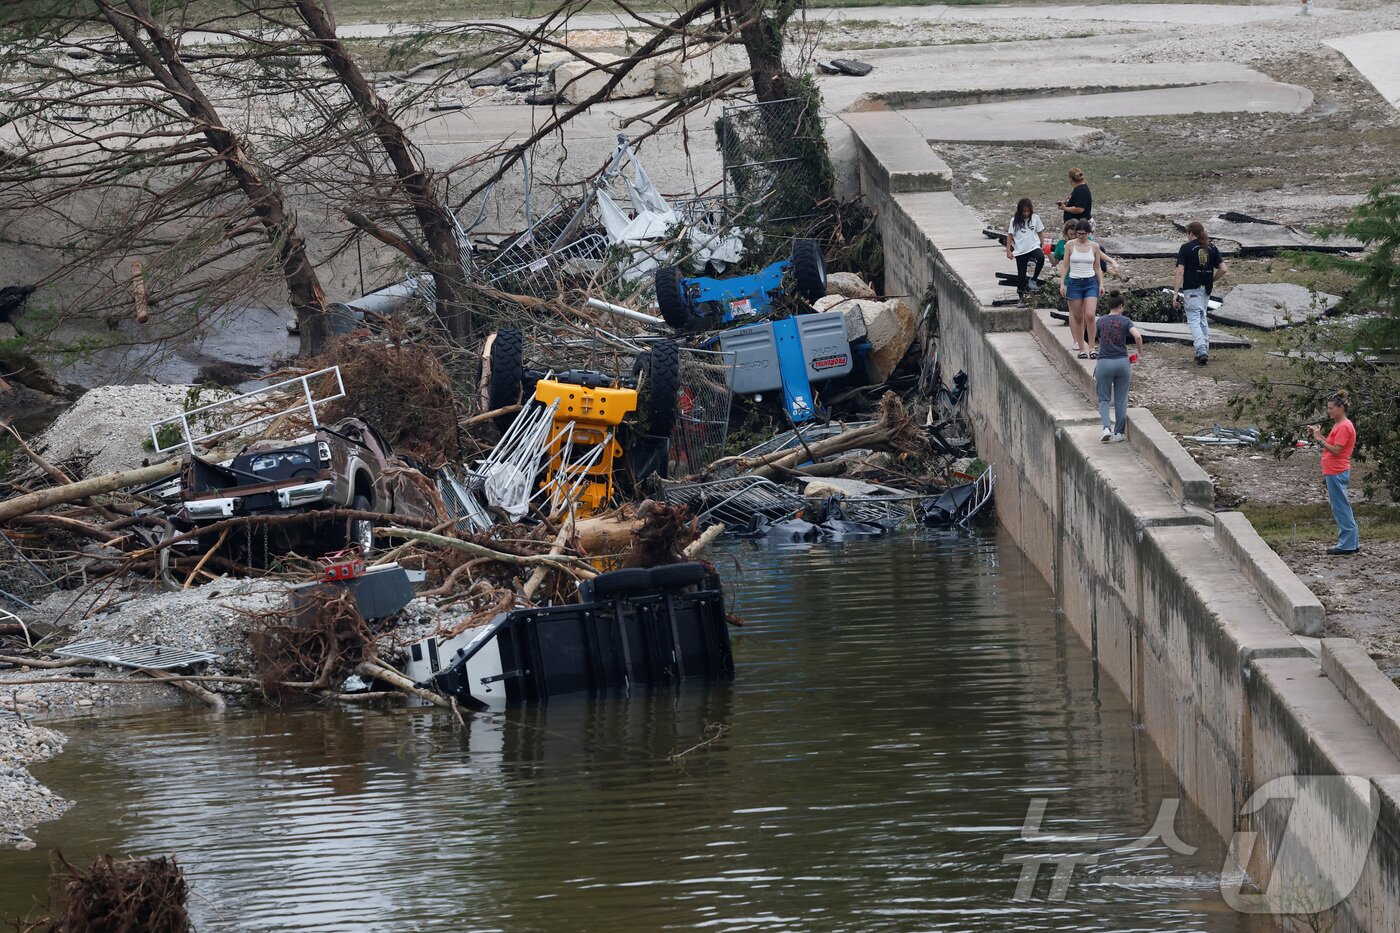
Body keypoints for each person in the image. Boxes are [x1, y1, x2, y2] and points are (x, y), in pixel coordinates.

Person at [1308, 391, 1359, 555]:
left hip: (1337, 471)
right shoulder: (1340, 424)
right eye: (1328, 408)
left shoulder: (1344, 426)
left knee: (1340, 507)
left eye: (1331, 408)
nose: (1328, 411)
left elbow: (1337, 450)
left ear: (1341, 408)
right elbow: (1332, 444)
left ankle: (1347, 545)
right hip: (1334, 470)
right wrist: (1318, 434)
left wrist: (1319, 438)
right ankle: (1351, 542)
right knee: (1341, 506)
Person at [1173, 220, 1228, 365]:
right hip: (1206, 290)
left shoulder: (1185, 248)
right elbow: (1223, 269)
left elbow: (1180, 271)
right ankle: (1203, 351)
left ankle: (1201, 348)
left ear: (1190, 233)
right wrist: (1212, 280)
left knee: (1193, 320)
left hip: (1192, 289)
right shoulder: (1212, 248)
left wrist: (1175, 293)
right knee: (1203, 318)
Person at [1093, 291, 1143, 442]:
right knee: (1121, 399)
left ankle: (1106, 428)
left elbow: (1097, 339)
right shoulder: (1126, 321)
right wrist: (1139, 353)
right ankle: (1119, 433)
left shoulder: (1100, 321)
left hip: (1104, 363)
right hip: (1122, 362)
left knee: (1104, 399)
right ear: (1121, 306)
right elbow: (1138, 336)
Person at [1060, 220, 1110, 359]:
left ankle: (1092, 347)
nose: (1081, 236)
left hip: (1090, 282)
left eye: (1084, 234)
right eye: (1079, 234)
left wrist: (1101, 284)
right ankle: (1082, 348)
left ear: (1089, 233)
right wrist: (1062, 283)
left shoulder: (1094, 246)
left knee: (1090, 314)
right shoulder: (1070, 245)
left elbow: (1097, 267)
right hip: (1074, 282)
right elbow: (1065, 265)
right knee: (1078, 317)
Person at [1005, 198, 1046, 299]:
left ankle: (1034, 280)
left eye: (1028, 211)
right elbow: (1010, 235)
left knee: (1041, 258)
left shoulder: (1035, 218)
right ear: (1020, 211)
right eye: (1024, 211)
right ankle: (1021, 296)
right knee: (1021, 275)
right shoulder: (1014, 220)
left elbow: (1040, 232)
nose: (1026, 213)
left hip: (1033, 246)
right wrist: (1008, 250)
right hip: (1020, 250)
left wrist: (1043, 244)